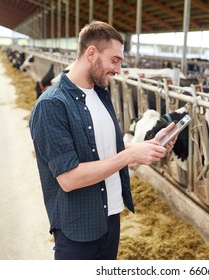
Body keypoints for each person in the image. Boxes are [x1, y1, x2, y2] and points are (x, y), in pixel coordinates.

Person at [29, 20, 176, 260]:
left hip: (111, 216)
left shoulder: (101, 94)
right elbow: (69, 178)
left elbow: (109, 150)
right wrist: (129, 155)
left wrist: (144, 146)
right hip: (78, 229)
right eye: (115, 60)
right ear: (91, 53)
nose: (118, 70)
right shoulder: (51, 105)